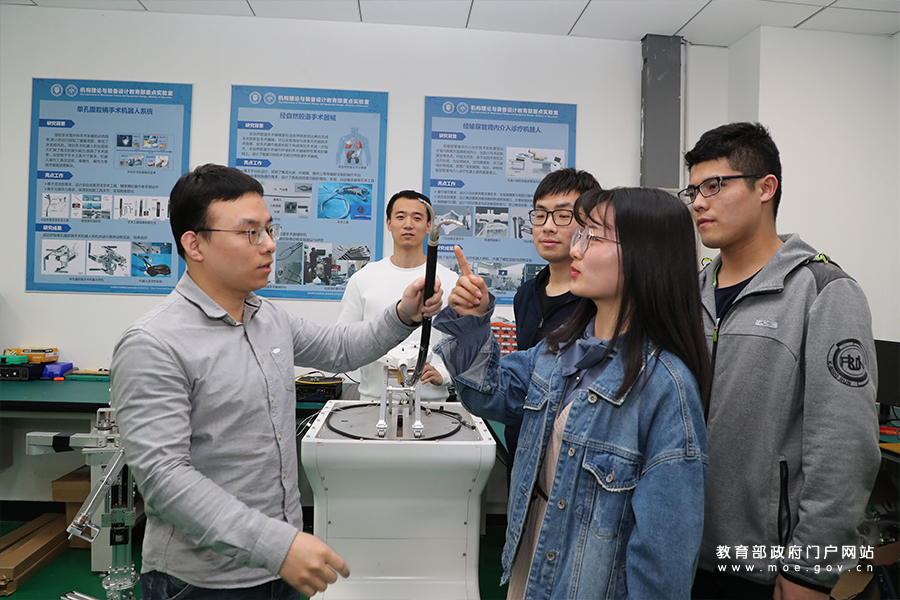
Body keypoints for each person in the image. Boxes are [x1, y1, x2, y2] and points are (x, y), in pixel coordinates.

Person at [110, 165, 442, 599]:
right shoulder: (153, 342)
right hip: (203, 582)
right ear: (194, 244)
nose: (269, 244)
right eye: (250, 232)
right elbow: (164, 478)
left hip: (280, 568)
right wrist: (276, 545)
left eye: (269, 229)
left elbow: (340, 348)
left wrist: (403, 314)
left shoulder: (267, 316)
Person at [434, 187, 712, 599]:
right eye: (579, 234)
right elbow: (488, 393)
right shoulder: (560, 349)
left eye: (592, 237)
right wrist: (473, 321)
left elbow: (662, 561)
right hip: (533, 558)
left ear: (645, 256)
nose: (575, 248)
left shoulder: (664, 386)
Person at [681, 123, 880, 599]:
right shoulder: (691, 291)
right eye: (693, 191)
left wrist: (811, 570)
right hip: (681, 553)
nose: (698, 203)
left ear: (765, 188)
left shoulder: (823, 291)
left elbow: (845, 448)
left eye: (714, 186)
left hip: (763, 568)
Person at [506, 168, 601, 477]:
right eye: (540, 215)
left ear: (589, 224)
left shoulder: (598, 299)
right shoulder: (525, 294)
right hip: (522, 448)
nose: (548, 226)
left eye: (562, 216)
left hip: (574, 458)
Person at [336, 190, 456, 403]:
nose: (408, 224)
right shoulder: (363, 278)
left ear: (429, 226)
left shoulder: (449, 281)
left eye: (417, 218)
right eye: (400, 217)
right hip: (373, 404)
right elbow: (343, 342)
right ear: (389, 223)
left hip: (432, 406)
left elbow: (463, 345)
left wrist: (445, 375)